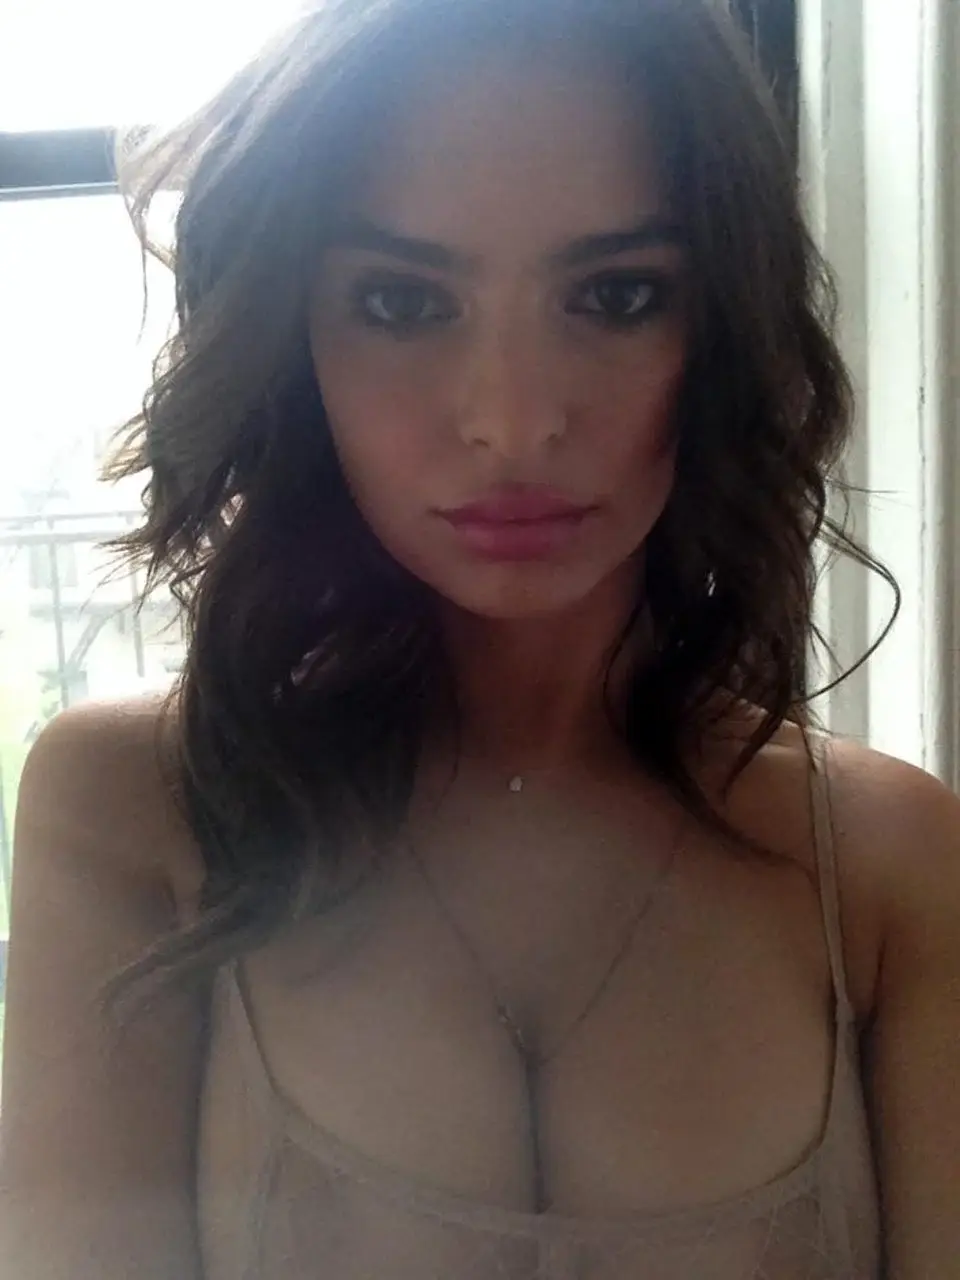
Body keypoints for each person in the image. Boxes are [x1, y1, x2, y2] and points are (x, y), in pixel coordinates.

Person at [2, 0, 958, 1276]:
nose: (512, 421)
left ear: (721, 325)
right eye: (403, 301)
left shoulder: (891, 868)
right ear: (295, 339)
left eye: (617, 295)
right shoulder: (141, 810)